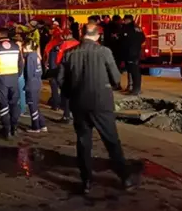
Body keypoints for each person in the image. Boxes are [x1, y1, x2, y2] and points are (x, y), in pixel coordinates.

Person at [57, 23, 138, 194]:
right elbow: (116, 79)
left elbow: (61, 80)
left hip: (79, 104)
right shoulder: (104, 52)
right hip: (102, 104)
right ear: (98, 35)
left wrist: (71, 94)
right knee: (111, 141)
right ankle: (125, 177)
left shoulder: (69, 54)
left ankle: (86, 181)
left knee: (83, 143)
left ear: (82, 34)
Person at [0, 27, 23, 138]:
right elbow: (20, 63)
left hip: (1, 78)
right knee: (14, 104)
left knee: (3, 104)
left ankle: (7, 129)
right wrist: (17, 75)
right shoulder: (15, 46)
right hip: (13, 77)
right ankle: (14, 128)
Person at [22, 39, 47, 133]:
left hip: (31, 84)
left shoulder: (29, 57)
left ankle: (35, 126)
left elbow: (28, 73)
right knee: (35, 105)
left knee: (32, 105)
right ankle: (42, 124)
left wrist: (26, 85)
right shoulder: (36, 56)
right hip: (37, 82)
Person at [55, 33, 80, 123]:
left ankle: (67, 116)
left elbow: (59, 59)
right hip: (77, 73)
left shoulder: (65, 44)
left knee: (65, 95)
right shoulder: (78, 43)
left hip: (66, 71)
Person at [119, 15, 146, 95]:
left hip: (130, 52)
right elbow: (143, 38)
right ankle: (133, 88)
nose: (124, 21)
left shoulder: (128, 28)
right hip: (135, 51)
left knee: (134, 71)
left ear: (128, 20)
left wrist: (131, 47)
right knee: (132, 70)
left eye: (125, 20)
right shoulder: (137, 27)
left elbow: (124, 40)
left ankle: (135, 89)